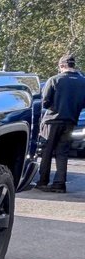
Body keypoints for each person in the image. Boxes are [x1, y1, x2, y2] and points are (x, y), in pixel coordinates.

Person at [36, 53, 85, 193]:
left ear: (62, 66)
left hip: (52, 120)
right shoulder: (83, 82)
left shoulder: (54, 80)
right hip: (70, 121)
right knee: (62, 152)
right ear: (73, 65)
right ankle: (59, 184)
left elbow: (45, 102)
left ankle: (43, 181)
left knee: (47, 151)